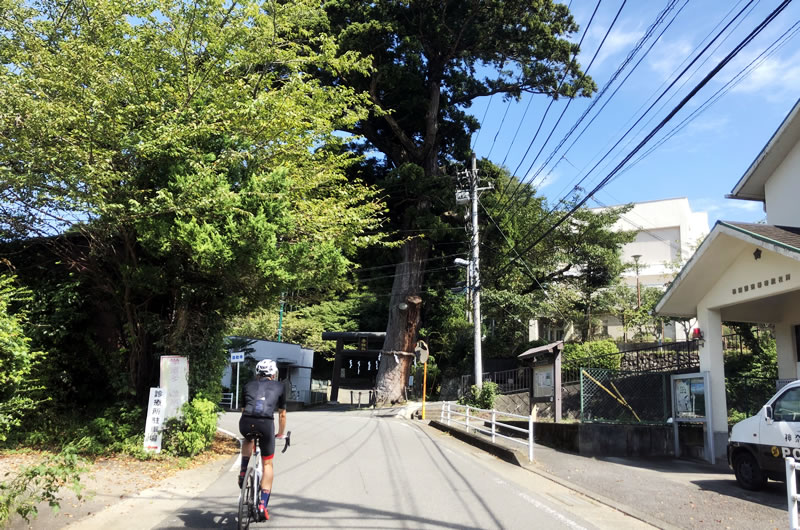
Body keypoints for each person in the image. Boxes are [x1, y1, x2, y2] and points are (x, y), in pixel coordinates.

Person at [238, 358, 287, 521]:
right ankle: (262, 505)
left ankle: (243, 470)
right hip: (266, 425)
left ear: (257, 373)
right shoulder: (280, 386)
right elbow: (282, 414)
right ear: (274, 374)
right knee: (267, 463)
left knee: (247, 439)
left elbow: (244, 410)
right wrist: (280, 433)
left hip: (246, 423)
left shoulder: (247, 385)